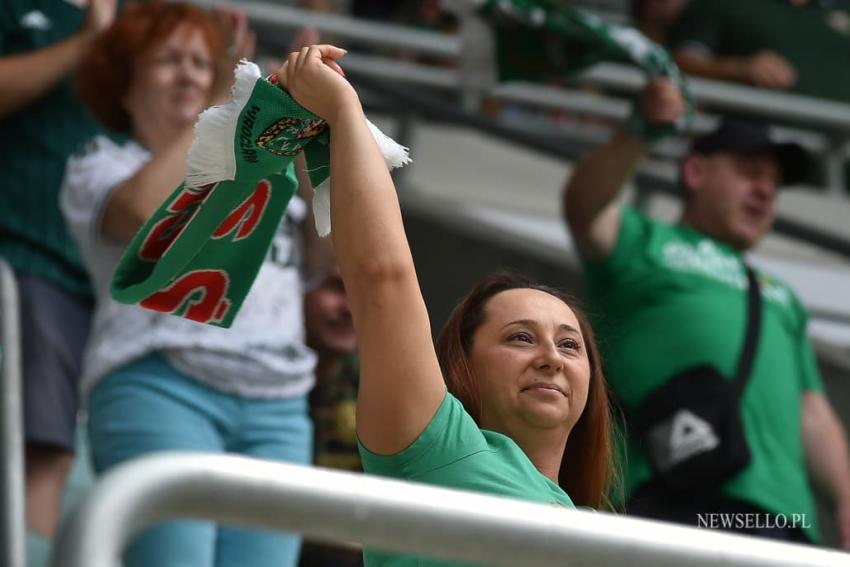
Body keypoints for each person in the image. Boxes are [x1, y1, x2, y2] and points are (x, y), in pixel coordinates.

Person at [280, 44, 617, 567]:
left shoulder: (601, 533)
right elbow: (381, 281)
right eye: (520, 337)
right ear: (462, 366)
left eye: (570, 345)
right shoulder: (436, 450)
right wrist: (344, 112)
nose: (552, 357)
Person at [59, 3, 319, 567]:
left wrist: (319, 129)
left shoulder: (266, 178)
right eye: (168, 60)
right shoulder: (101, 161)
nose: (190, 75)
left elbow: (336, 254)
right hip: (159, 386)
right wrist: (226, 105)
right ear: (124, 83)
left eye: (202, 64)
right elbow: (139, 212)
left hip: (280, 407)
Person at [563, 78, 850, 546]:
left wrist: (844, 500)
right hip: (664, 498)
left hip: (784, 523)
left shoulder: (780, 294)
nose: (765, 191)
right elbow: (584, 207)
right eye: (749, 172)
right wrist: (638, 132)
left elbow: (810, 409)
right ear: (695, 172)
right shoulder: (644, 241)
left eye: (774, 184)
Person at [0, 0, 116, 560]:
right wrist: (86, 45)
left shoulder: (138, 20)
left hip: (106, 292)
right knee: (44, 454)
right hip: (27, 263)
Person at [300, 265, 363, 567]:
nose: (350, 308)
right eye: (336, 288)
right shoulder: (249, 375)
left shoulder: (379, 386)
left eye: (362, 293)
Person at [668, 0, 850, 103]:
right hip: (754, 155)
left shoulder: (841, 8)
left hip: (841, 154)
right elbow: (679, 65)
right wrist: (740, 68)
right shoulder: (723, 4)